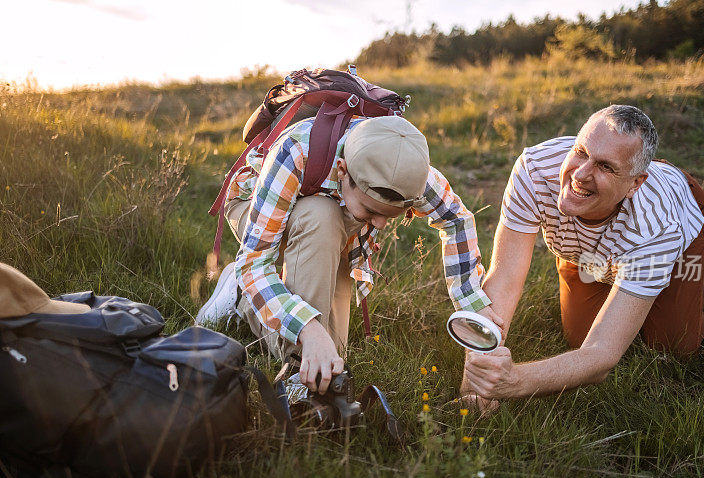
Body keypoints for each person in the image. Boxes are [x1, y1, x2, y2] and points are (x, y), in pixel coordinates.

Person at [197, 115, 501, 394]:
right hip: (255, 205)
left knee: (334, 351)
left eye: (391, 215)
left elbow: (456, 218)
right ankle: (296, 370)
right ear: (342, 170)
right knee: (321, 215)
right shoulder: (296, 153)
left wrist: (472, 302)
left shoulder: (410, 172)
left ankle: (303, 352)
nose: (380, 224)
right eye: (372, 210)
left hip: (333, 220)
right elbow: (255, 262)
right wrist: (308, 330)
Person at [462, 105, 704, 405]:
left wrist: (513, 382)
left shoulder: (659, 225)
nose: (579, 174)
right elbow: (504, 278)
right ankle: (629, 285)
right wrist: (475, 384)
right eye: (581, 151)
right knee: (579, 338)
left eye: (605, 166)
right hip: (587, 253)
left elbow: (602, 356)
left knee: (674, 347)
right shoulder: (535, 169)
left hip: (679, 211)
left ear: (635, 183)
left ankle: (691, 287)